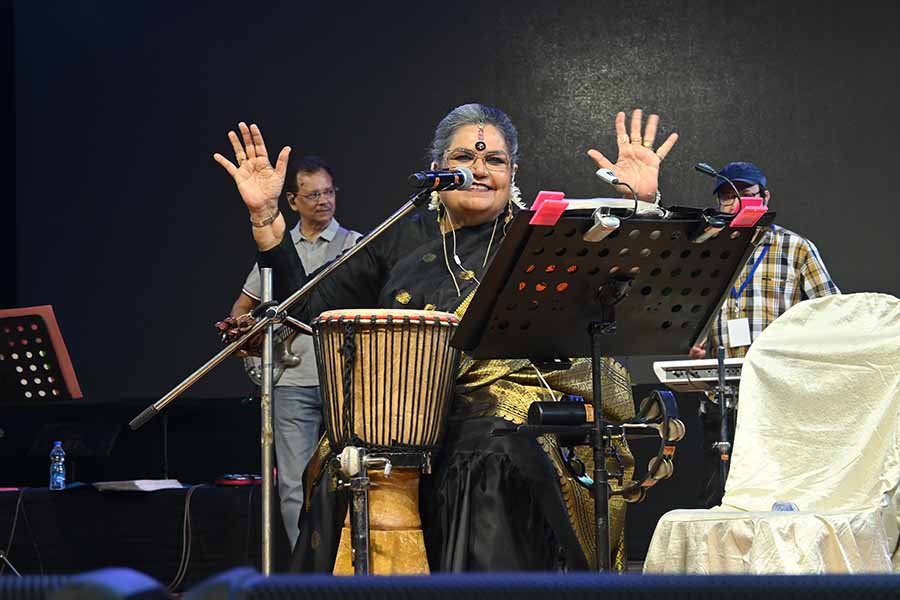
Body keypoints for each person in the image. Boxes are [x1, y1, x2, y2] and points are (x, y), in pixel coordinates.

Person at [213, 105, 678, 571]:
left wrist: (641, 205)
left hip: (510, 418)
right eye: (464, 158)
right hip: (406, 415)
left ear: (513, 172)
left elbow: (625, 291)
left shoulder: (539, 238)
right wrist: (266, 216)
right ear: (437, 168)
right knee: (339, 461)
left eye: (494, 160)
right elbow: (306, 304)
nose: (479, 170)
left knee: (492, 451)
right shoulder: (399, 236)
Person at [688, 161, 840, 508]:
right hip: (721, 398)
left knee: (778, 496)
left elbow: (832, 314)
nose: (734, 202)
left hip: (779, 393)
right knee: (720, 497)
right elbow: (691, 314)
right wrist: (694, 343)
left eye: (744, 193)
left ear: (765, 197)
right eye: (726, 196)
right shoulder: (707, 249)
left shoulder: (795, 248)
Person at [229, 156, 361, 552]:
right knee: (292, 482)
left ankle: (346, 564)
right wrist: (252, 348)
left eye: (329, 192)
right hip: (291, 382)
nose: (324, 201)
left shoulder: (356, 245)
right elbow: (242, 309)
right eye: (313, 194)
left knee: (353, 476)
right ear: (292, 201)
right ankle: (305, 564)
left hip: (345, 383)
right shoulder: (278, 248)